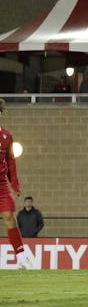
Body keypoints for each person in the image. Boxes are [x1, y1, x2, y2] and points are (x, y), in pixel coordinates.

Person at [0, 98, 31, 269]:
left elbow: (10, 162)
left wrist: (15, 185)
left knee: (9, 218)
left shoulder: (6, 136)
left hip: (1, 184)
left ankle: (21, 257)